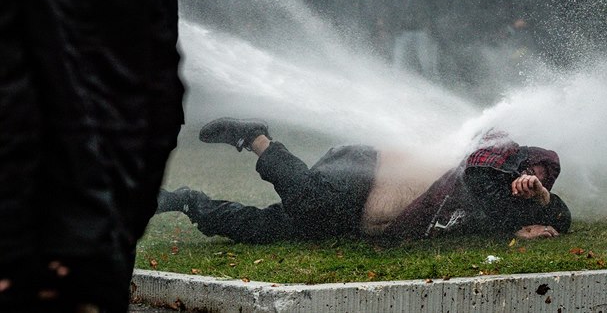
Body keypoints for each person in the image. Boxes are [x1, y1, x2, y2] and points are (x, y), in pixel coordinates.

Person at [0, 0, 184, 312]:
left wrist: (11, 250)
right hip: (104, 232)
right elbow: (162, 93)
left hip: (39, 242)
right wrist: (122, 224)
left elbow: (13, 107)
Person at [156, 117, 571, 244]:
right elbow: (486, 165)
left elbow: (561, 216)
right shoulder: (491, 165)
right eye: (531, 173)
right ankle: (255, 138)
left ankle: (187, 202)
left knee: (268, 228)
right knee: (314, 203)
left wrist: (543, 203)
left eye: (538, 181)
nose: (529, 180)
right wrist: (523, 182)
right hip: (360, 172)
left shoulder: (505, 218)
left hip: (350, 217)